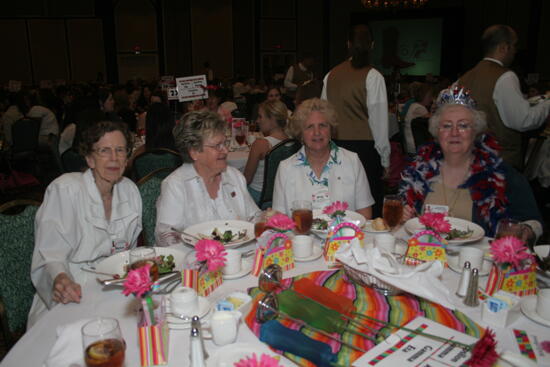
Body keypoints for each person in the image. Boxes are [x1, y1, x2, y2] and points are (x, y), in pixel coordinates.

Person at [29, 120, 142, 327]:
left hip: (114, 289)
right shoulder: (65, 190)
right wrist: (60, 278)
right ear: (90, 159)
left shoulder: (131, 191)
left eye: (120, 150)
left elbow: (129, 253)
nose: (114, 158)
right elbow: (50, 256)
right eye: (104, 151)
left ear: (127, 157)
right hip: (72, 290)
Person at [399, 86, 543, 239]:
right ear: (437, 131)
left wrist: (525, 230)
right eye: (447, 126)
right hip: (425, 256)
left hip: (477, 260)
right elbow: (401, 218)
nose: (454, 133)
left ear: (475, 131)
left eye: (463, 125)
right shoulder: (416, 171)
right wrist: (402, 215)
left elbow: (535, 223)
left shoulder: (501, 174)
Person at [155, 111, 260, 246]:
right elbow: (166, 236)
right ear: (194, 152)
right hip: (196, 261)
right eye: (217, 146)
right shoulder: (176, 185)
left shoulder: (234, 176)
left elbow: (253, 216)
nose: (225, 150)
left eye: (225, 143)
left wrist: (266, 219)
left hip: (241, 258)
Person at [458, 24, 550, 170]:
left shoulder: (465, 77)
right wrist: (547, 104)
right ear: (504, 47)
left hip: (471, 160)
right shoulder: (505, 76)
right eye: (514, 46)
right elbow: (523, 120)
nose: (515, 51)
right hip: (499, 163)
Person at [321, 24, 390, 217]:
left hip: (336, 147)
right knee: (368, 203)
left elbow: (324, 116)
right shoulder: (374, 76)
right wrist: (385, 159)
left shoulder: (330, 75)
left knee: (340, 197)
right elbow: (379, 123)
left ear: (348, 44)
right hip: (365, 149)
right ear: (373, 45)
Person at [272, 98, 374, 219]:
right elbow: (279, 220)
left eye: (322, 125)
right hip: (301, 237)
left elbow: (365, 214)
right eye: (309, 127)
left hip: (345, 236)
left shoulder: (352, 161)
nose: (317, 132)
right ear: (301, 134)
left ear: (331, 130)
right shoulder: (286, 168)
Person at [244, 100, 289, 205]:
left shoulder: (260, 144)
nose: (257, 121)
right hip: (280, 197)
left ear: (272, 120)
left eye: (260, 117)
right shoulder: (292, 142)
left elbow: (247, 179)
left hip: (259, 197)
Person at [403, 82, 434, 154]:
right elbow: (433, 124)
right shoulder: (419, 108)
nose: (431, 99)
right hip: (415, 146)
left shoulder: (414, 105)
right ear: (424, 96)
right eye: (429, 96)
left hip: (410, 144)